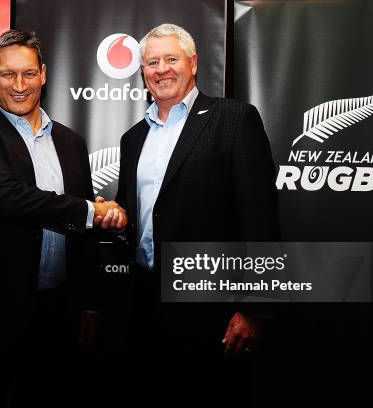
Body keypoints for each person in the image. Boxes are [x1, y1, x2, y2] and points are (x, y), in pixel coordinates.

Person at [0, 29, 126, 407]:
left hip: (57, 313)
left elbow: (82, 234)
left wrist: (89, 304)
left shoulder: (71, 141)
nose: (19, 85)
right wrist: (93, 210)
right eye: (7, 74)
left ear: (44, 74)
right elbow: (8, 198)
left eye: (28, 73)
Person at [103, 23, 280, 404]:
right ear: (143, 72)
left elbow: (261, 217)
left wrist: (255, 309)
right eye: (152, 62)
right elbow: (133, 215)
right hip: (145, 304)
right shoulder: (133, 137)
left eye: (171, 59)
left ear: (194, 63)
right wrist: (113, 219)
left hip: (211, 308)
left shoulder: (233, 118)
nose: (162, 69)